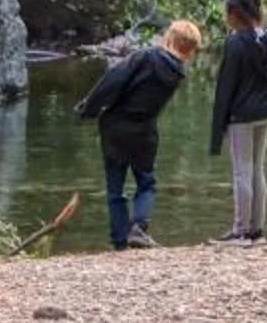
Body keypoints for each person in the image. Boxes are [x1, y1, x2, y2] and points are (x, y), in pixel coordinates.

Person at [76, 19, 201, 250]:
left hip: (116, 126)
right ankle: (139, 228)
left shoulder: (146, 57)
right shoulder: (177, 72)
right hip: (145, 131)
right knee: (146, 182)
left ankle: (120, 241)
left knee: (115, 187)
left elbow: (113, 80)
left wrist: (88, 107)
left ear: (169, 38)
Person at [206, 0, 267, 244]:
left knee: (241, 172)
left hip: (241, 117)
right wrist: (266, 102)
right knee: (257, 170)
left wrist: (220, 123)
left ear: (234, 13)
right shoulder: (266, 39)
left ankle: (240, 230)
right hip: (263, 113)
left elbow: (226, 86)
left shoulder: (235, 42)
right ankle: (256, 230)